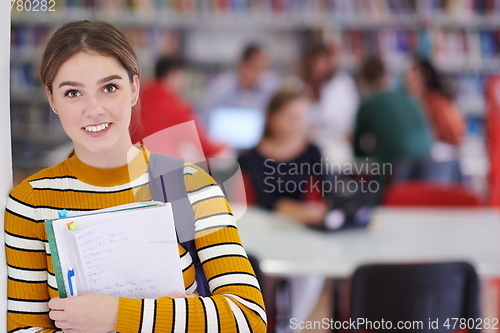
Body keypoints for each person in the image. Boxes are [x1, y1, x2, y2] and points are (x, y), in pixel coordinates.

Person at [5, 20, 266, 333]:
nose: (94, 108)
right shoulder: (31, 201)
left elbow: (248, 317)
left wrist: (116, 315)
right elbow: (24, 329)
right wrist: (177, 316)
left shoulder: (188, 186)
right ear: (51, 99)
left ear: (134, 89)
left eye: (110, 88)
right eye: (73, 92)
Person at [238, 88, 331, 332]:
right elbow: (266, 199)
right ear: (272, 118)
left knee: (313, 271)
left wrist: (319, 211)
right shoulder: (251, 156)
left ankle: (290, 327)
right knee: (260, 275)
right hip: (263, 233)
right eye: (291, 117)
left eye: (303, 117)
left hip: (302, 234)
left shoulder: (312, 151)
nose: (298, 125)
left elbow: (327, 193)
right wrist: (302, 211)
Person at [130, 55, 229, 160]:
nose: (184, 83)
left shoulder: (136, 101)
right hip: (160, 170)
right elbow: (207, 148)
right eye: (183, 77)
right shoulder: (175, 108)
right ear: (174, 75)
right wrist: (225, 145)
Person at [352, 55, 433, 168]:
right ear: (386, 74)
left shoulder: (368, 105)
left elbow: (357, 152)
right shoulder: (409, 99)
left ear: (364, 79)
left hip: (396, 174)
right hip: (428, 170)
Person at [301, 41, 360, 164]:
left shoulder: (342, 83)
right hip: (307, 146)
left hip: (336, 146)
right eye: (315, 62)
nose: (319, 67)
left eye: (323, 62)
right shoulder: (300, 86)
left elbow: (351, 118)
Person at [200, 43, 280, 126]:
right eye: (255, 67)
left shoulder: (272, 88)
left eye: (264, 68)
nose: (260, 73)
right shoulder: (220, 88)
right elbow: (205, 120)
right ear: (241, 64)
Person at [405, 56, 466, 152]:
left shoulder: (435, 101)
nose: (408, 82)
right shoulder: (422, 101)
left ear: (425, 78)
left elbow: (450, 134)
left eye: (413, 78)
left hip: (441, 154)